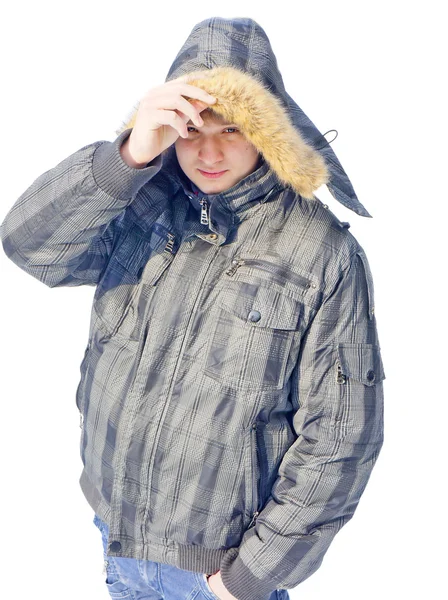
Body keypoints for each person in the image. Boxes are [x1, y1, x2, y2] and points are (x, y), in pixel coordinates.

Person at [0, 16, 385, 600]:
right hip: (117, 537)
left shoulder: (321, 252)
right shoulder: (139, 208)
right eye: (190, 128)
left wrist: (248, 578)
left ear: (267, 131)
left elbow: (342, 435)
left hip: (222, 573)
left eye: (231, 129)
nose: (208, 151)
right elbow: (31, 246)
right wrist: (127, 156)